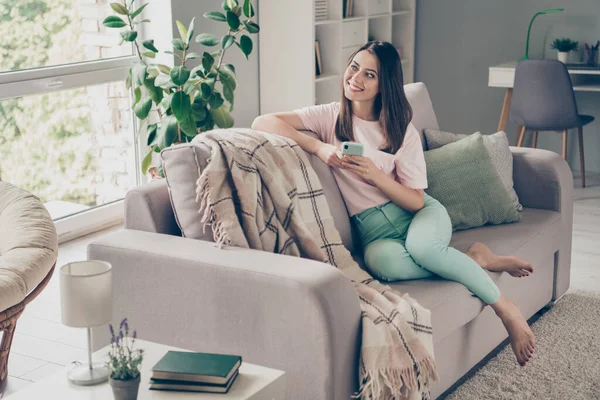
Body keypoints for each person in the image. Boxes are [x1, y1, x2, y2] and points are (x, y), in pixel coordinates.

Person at [251, 41, 536, 366]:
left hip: (420, 215)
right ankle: (475, 259)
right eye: (354, 66)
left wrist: (375, 175)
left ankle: (505, 309)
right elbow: (263, 122)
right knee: (381, 263)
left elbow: (416, 201)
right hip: (375, 234)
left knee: (425, 249)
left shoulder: (402, 131)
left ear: (383, 84)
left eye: (369, 74)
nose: (355, 78)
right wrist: (317, 148)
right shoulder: (330, 116)